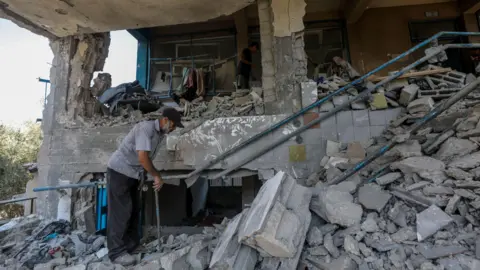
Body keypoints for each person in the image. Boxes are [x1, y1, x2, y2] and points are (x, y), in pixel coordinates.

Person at [106, 107, 184, 266]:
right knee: (121, 212)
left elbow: (144, 159)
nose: (174, 128)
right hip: (119, 171)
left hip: (133, 174)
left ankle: (131, 246)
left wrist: (147, 175)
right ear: (166, 120)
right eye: (174, 125)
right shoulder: (145, 128)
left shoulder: (160, 134)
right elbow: (142, 157)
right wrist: (156, 175)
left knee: (135, 209)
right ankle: (116, 253)